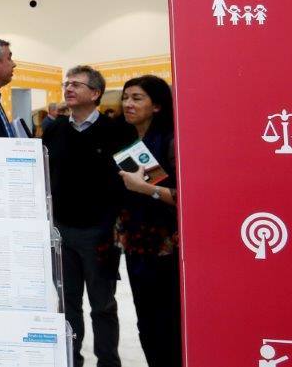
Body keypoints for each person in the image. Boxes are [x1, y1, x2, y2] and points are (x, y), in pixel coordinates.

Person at [43, 65, 137, 367]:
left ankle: (108, 361)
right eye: (66, 84)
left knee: (103, 305)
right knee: (68, 304)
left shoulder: (118, 131)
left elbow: (141, 175)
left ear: (95, 93)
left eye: (76, 84)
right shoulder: (54, 130)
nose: (68, 88)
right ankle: (71, 359)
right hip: (62, 232)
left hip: (100, 232)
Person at [117, 75, 180, 367]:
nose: (128, 104)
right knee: (146, 323)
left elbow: (185, 198)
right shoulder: (131, 140)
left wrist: (144, 188)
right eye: (126, 97)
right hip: (138, 247)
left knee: (167, 324)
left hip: (168, 250)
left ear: (156, 105)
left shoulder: (171, 142)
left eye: (137, 98)